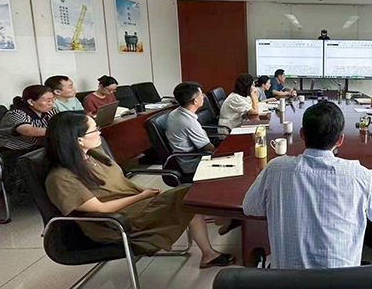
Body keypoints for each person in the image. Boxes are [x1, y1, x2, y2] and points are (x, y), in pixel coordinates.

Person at [44, 112, 234, 268]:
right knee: (187, 194)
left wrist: (143, 193)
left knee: (188, 194)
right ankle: (224, 224)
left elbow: (120, 183)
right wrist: (142, 196)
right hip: (115, 223)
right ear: (79, 140)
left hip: (134, 206)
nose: (99, 132)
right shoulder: (61, 178)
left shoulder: (94, 154)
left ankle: (214, 242)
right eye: (94, 129)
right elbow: (102, 209)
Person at [243, 101, 372, 269]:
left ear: (302, 134)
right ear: (340, 140)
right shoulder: (359, 175)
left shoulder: (276, 169)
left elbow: (250, 208)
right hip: (344, 284)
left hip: (287, 283)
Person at [165, 82, 216, 179]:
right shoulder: (188, 121)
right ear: (195, 101)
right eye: (201, 95)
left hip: (189, 156)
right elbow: (208, 148)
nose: (203, 97)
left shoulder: (175, 113)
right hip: (192, 163)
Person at [0, 85, 57, 151]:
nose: (51, 103)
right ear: (31, 102)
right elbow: (28, 131)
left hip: (38, 148)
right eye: (48, 100)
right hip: (15, 151)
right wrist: (57, 131)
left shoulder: (49, 111)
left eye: (53, 100)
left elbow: (59, 122)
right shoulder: (16, 114)